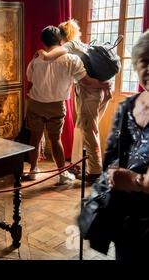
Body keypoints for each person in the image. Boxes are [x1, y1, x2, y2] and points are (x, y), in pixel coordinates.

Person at [26, 26, 110, 184]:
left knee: (35, 138)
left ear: (43, 41)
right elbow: (86, 80)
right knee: (56, 140)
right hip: (56, 105)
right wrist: (101, 84)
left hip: (35, 103)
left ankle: (33, 170)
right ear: (61, 40)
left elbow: (30, 79)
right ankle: (61, 174)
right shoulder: (71, 60)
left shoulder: (36, 59)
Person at [101, 30, 149, 259]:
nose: (148, 69)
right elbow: (112, 153)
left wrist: (136, 181)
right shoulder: (127, 107)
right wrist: (111, 172)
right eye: (144, 61)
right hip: (126, 220)